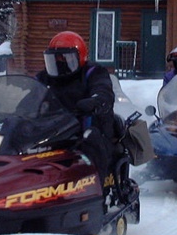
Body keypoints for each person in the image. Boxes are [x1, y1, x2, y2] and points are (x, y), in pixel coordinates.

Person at [35, 31, 117, 186]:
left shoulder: (93, 73)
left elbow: (103, 90)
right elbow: (31, 93)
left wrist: (95, 101)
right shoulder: (44, 77)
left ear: (80, 57)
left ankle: (97, 189)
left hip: (86, 126)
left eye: (66, 58)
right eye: (55, 59)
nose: (60, 63)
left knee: (91, 140)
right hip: (53, 129)